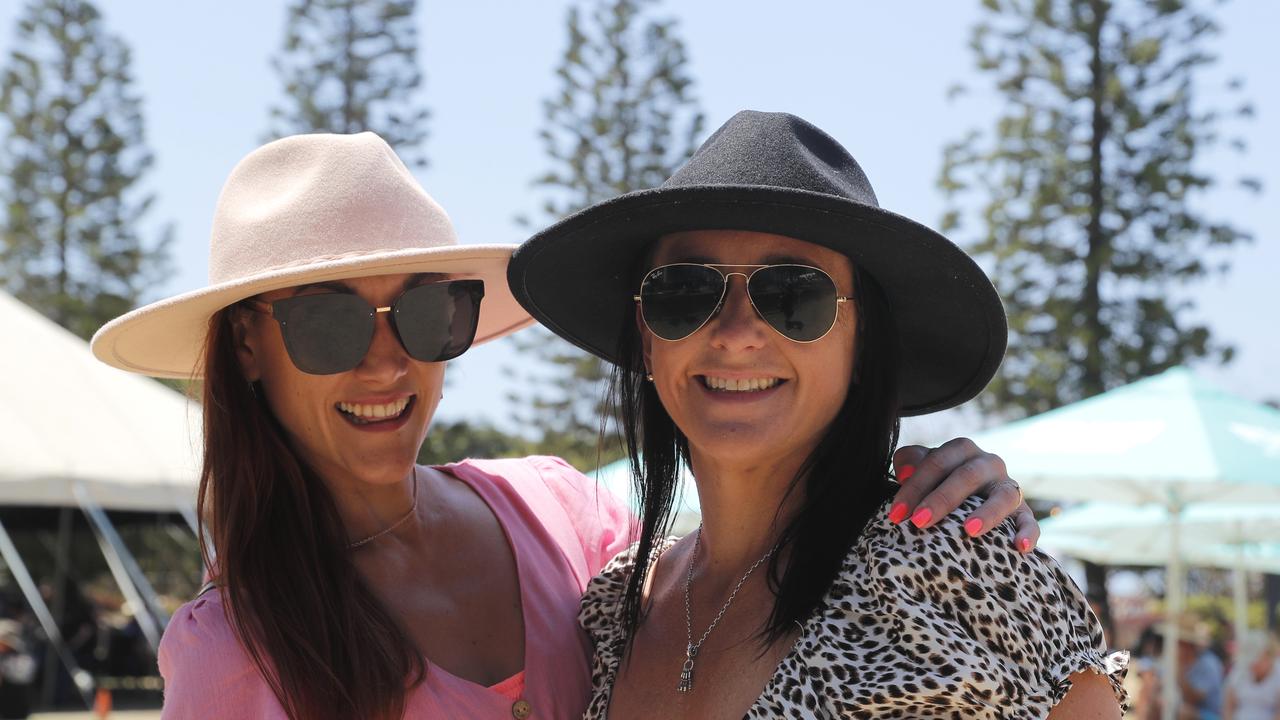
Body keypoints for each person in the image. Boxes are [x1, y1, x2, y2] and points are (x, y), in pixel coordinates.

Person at [91, 131, 1040, 719]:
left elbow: (760, 549)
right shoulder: (236, 648)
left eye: (427, 314)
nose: (385, 363)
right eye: (328, 321)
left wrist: (942, 483)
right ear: (247, 348)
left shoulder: (567, 527)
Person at [509, 110, 1130, 718]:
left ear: (863, 345)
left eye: (793, 295)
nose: (734, 334)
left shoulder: (950, 571)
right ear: (646, 337)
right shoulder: (616, 608)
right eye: (686, 292)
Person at [1223, 631, 1280, 720]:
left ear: (1268, 655)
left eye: (1256, 660)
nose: (1252, 665)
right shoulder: (1239, 671)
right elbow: (1228, 707)